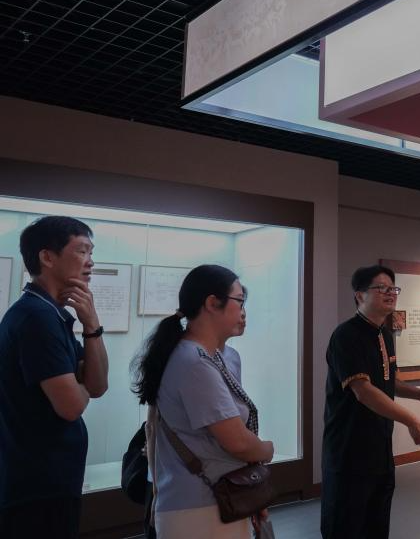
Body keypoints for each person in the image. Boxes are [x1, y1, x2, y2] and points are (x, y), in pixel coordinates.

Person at [133, 265, 273, 539]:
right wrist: (266, 450)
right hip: (199, 507)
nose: (243, 311)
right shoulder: (193, 362)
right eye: (239, 301)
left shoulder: (210, 356)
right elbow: (237, 442)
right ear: (211, 303)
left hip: (220, 498)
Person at [321, 264, 420, 539]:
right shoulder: (346, 335)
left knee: (377, 523)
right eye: (381, 288)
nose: (390, 293)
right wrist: (411, 419)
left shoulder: (385, 335)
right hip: (349, 449)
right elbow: (364, 390)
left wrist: (417, 393)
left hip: (379, 448)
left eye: (393, 288)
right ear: (360, 295)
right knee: (346, 524)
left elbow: (388, 381)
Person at [0, 216, 108, 538]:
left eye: (91, 252)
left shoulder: (51, 314)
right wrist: (81, 383)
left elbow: (98, 385)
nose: (90, 262)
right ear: (47, 257)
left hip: (51, 482)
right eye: (82, 251)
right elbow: (72, 405)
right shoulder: (37, 317)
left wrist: (92, 325)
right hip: (36, 488)